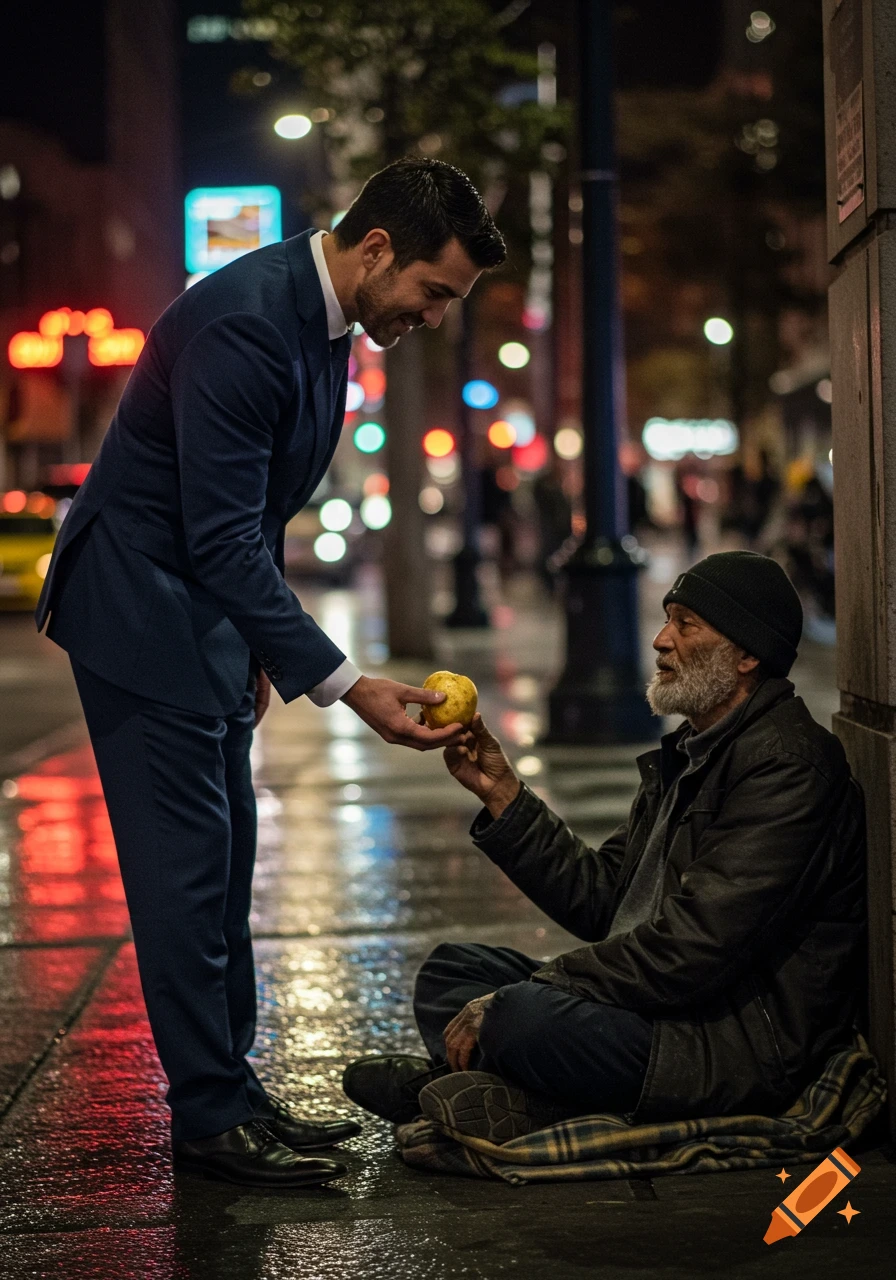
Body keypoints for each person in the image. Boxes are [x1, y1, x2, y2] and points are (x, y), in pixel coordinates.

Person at [35, 158, 506, 1187]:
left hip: (194, 619)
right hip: (138, 614)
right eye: (433, 291)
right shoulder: (250, 319)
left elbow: (254, 514)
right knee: (184, 879)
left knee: (225, 864)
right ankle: (208, 1115)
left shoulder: (319, 318)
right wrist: (345, 683)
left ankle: (232, 1092)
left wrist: (251, 648)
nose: (433, 314)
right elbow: (219, 535)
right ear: (376, 248)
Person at [343, 552, 866, 1139]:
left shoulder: (788, 768)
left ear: (746, 654)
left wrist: (534, 991)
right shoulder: (697, 749)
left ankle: (462, 1092)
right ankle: (507, 1092)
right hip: (659, 1008)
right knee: (453, 970)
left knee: (518, 1014)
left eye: (685, 624)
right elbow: (603, 900)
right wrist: (503, 795)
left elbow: (693, 951)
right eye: (667, 619)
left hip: (729, 1039)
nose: (661, 640)